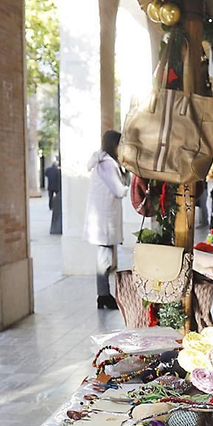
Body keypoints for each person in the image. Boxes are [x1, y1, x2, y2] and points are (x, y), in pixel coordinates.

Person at [86, 130, 126, 310]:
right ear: (114, 145)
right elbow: (119, 190)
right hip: (104, 219)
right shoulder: (107, 164)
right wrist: (129, 183)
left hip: (103, 218)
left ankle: (104, 295)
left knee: (105, 258)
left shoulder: (102, 162)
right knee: (104, 260)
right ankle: (103, 296)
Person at [46, 157, 63, 235]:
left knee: (50, 197)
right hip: (56, 186)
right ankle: (53, 206)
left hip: (50, 186)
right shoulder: (58, 170)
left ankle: (50, 206)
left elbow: (46, 175)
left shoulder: (48, 170)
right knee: (57, 197)